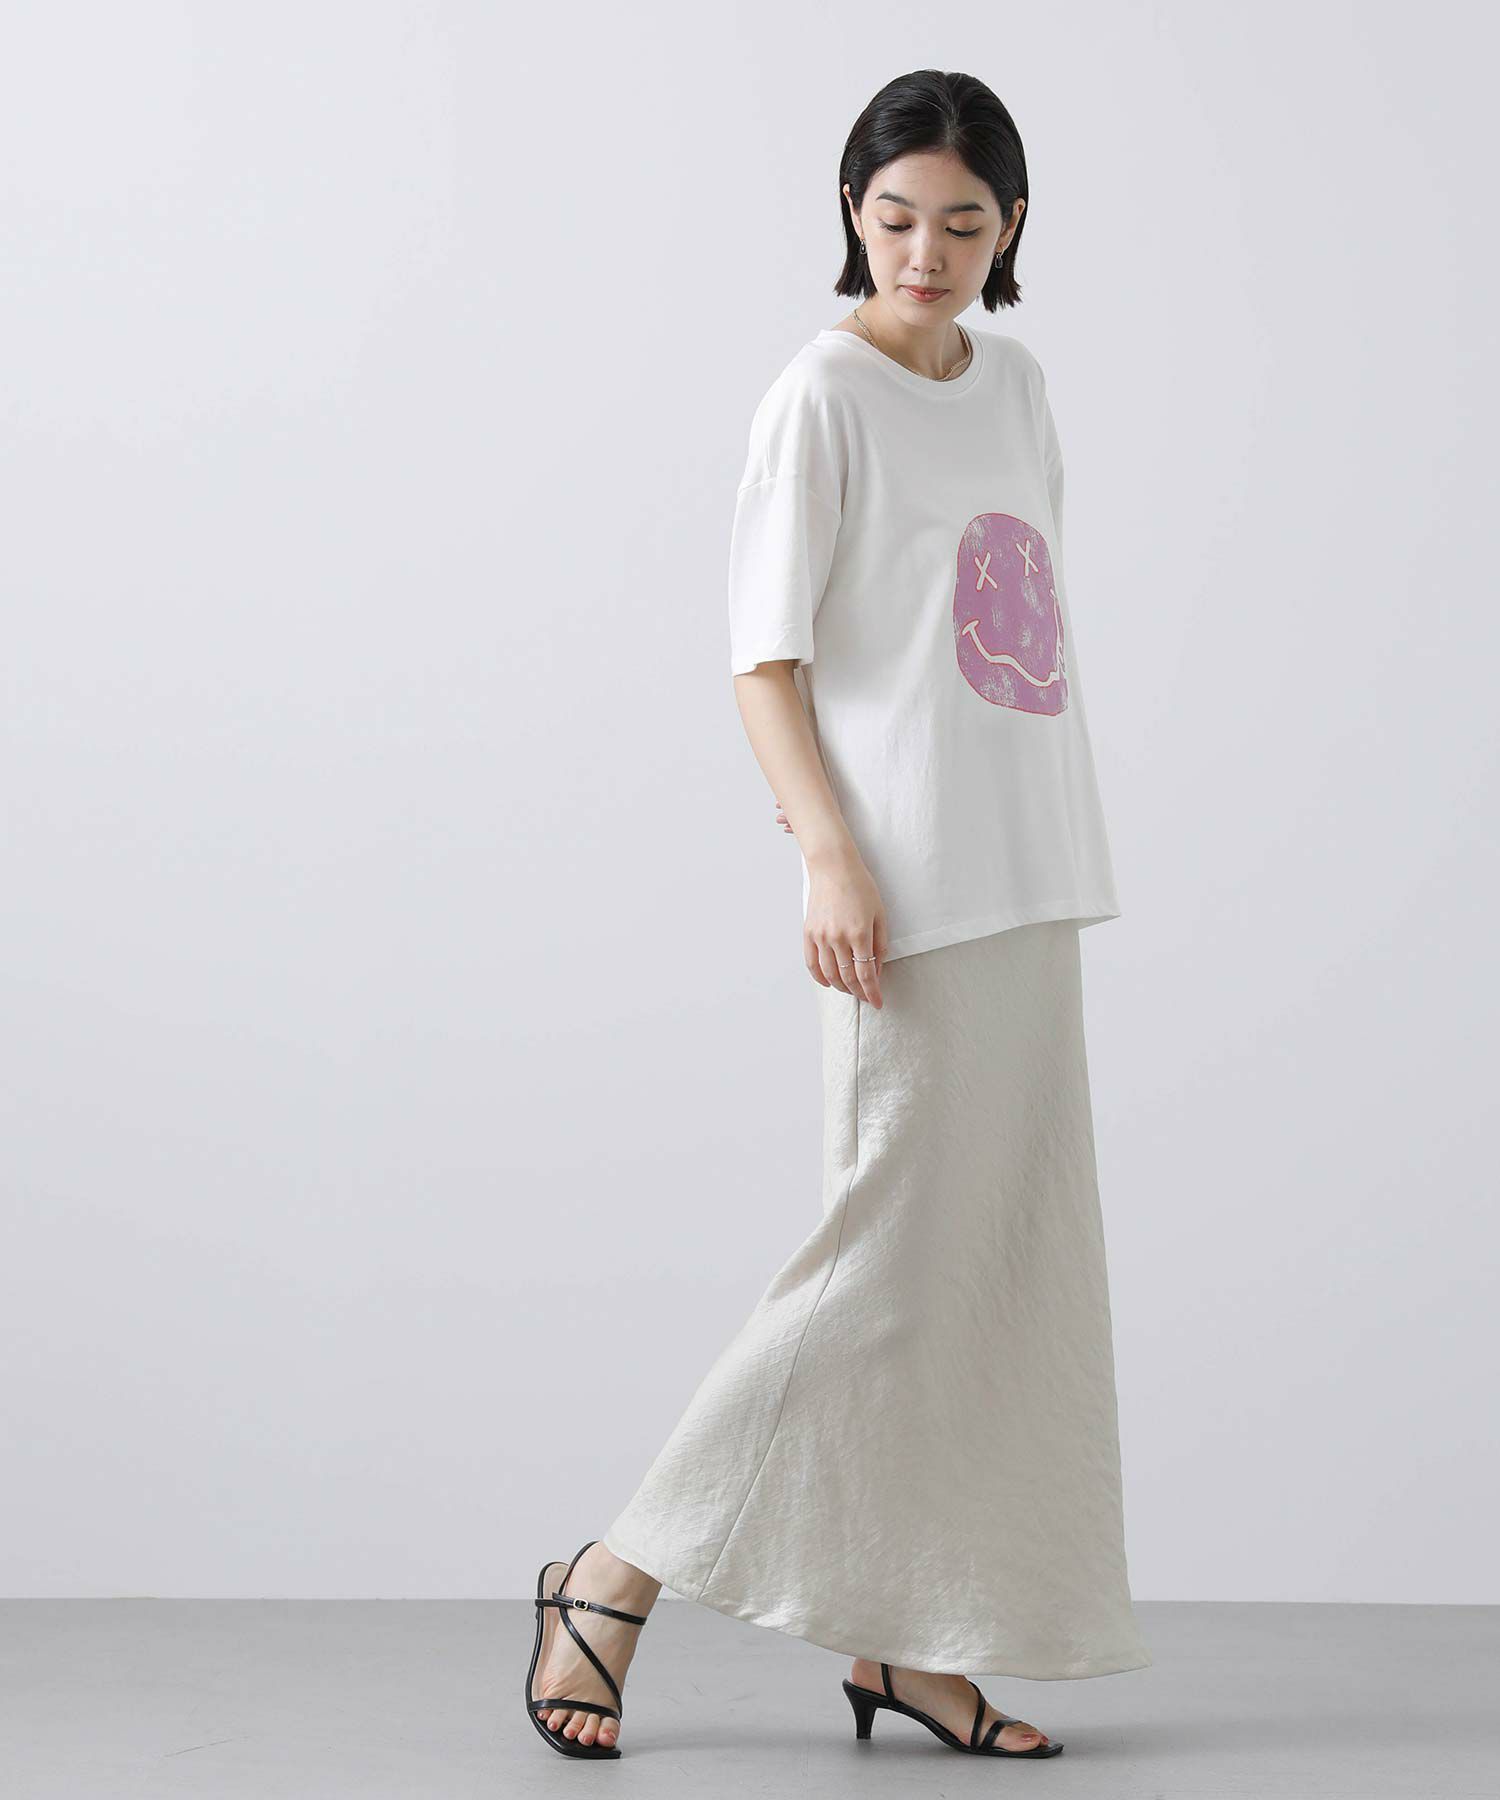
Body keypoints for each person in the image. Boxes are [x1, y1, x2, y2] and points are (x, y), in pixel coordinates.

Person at [523, 67, 1151, 1763]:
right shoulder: (820, 396)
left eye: (962, 222)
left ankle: (913, 1642)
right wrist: (827, 855)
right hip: (899, 887)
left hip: (1029, 872)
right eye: (894, 219)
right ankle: (612, 1575)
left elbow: (1013, 639)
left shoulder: (1018, 388)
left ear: (1011, 227)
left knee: (994, 1273)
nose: (926, 253)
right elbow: (766, 657)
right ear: (852, 218)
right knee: (878, 1264)